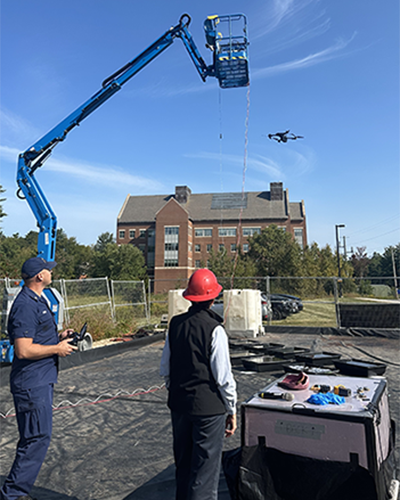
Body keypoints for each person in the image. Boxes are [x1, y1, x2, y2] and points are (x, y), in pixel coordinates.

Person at [0, 257, 77, 500]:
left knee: (34, 437)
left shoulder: (38, 299)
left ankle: (15, 491)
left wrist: (59, 337)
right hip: (32, 383)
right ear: (39, 276)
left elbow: (37, 337)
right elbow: (23, 350)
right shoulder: (25, 304)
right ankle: (12, 493)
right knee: (36, 438)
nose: (51, 272)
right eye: (48, 270)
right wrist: (57, 349)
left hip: (40, 380)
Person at [160, 269, 237, 500]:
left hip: (180, 406)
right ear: (213, 298)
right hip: (208, 411)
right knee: (204, 471)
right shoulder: (215, 330)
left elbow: (165, 367)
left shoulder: (175, 324)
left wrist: (177, 390)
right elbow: (223, 377)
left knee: (183, 465)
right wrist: (231, 409)